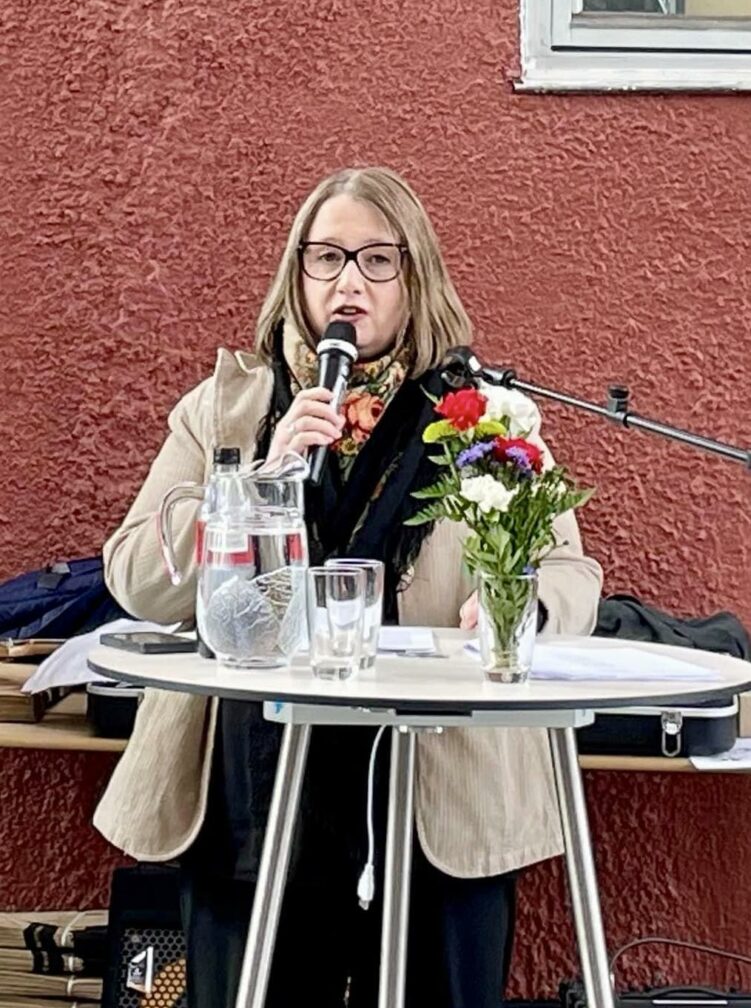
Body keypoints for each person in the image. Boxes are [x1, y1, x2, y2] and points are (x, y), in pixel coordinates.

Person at [94, 166, 603, 1008]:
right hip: (254, 789)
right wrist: (255, 483)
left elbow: (568, 572)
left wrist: (520, 609)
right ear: (296, 274)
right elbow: (138, 581)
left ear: (415, 278)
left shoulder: (483, 415)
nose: (348, 285)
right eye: (326, 258)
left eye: (376, 261)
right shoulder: (227, 408)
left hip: (438, 788)